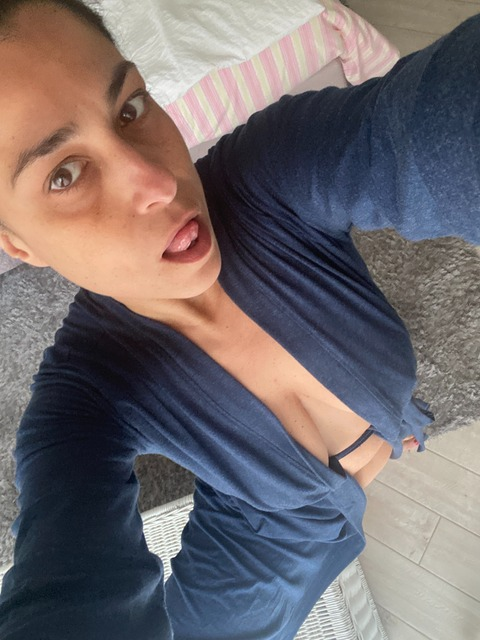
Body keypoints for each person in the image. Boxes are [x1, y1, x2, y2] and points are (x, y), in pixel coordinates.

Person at [0, 1, 478, 638]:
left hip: (382, 425)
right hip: (261, 550)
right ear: (19, 244)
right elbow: (64, 580)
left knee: (393, 411)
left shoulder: (269, 172)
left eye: (130, 109)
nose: (158, 182)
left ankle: (392, 426)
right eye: (65, 175)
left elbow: (427, 131)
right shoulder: (77, 402)